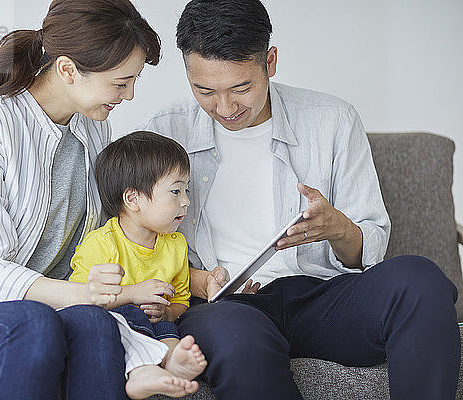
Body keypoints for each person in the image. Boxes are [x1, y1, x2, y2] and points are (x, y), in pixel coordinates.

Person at [139, 0, 461, 399]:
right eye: (204, 90)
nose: (224, 108)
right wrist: (200, 284)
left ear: (269, 62)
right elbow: (135, 240)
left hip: (322, 296)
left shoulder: (332, 119)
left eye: (241, 88)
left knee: (420, 280)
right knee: (239, 339)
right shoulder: (163, 132)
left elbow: (368, 251)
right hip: (224, 306)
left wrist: (337, 227)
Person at [0, 1, 197, 399]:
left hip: (46, 300)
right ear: (67, 69)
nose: (130, 95)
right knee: (38, 322)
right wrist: (84, 294)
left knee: (95, 325)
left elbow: (105, 234)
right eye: (120, 82)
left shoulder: (93, 128)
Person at [68, 131, 208, 394]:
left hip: (156, 325)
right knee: (129, 315)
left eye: (186, 190)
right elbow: (80, 302)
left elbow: (181, 300)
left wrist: (167, 312)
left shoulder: (175, 244)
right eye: (175, 191)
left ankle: (171, 360)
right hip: (115, 324)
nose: (186, 201)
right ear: (133, 199)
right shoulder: (101, 244)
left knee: (165, 325)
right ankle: (140, 371)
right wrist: (132, 293)